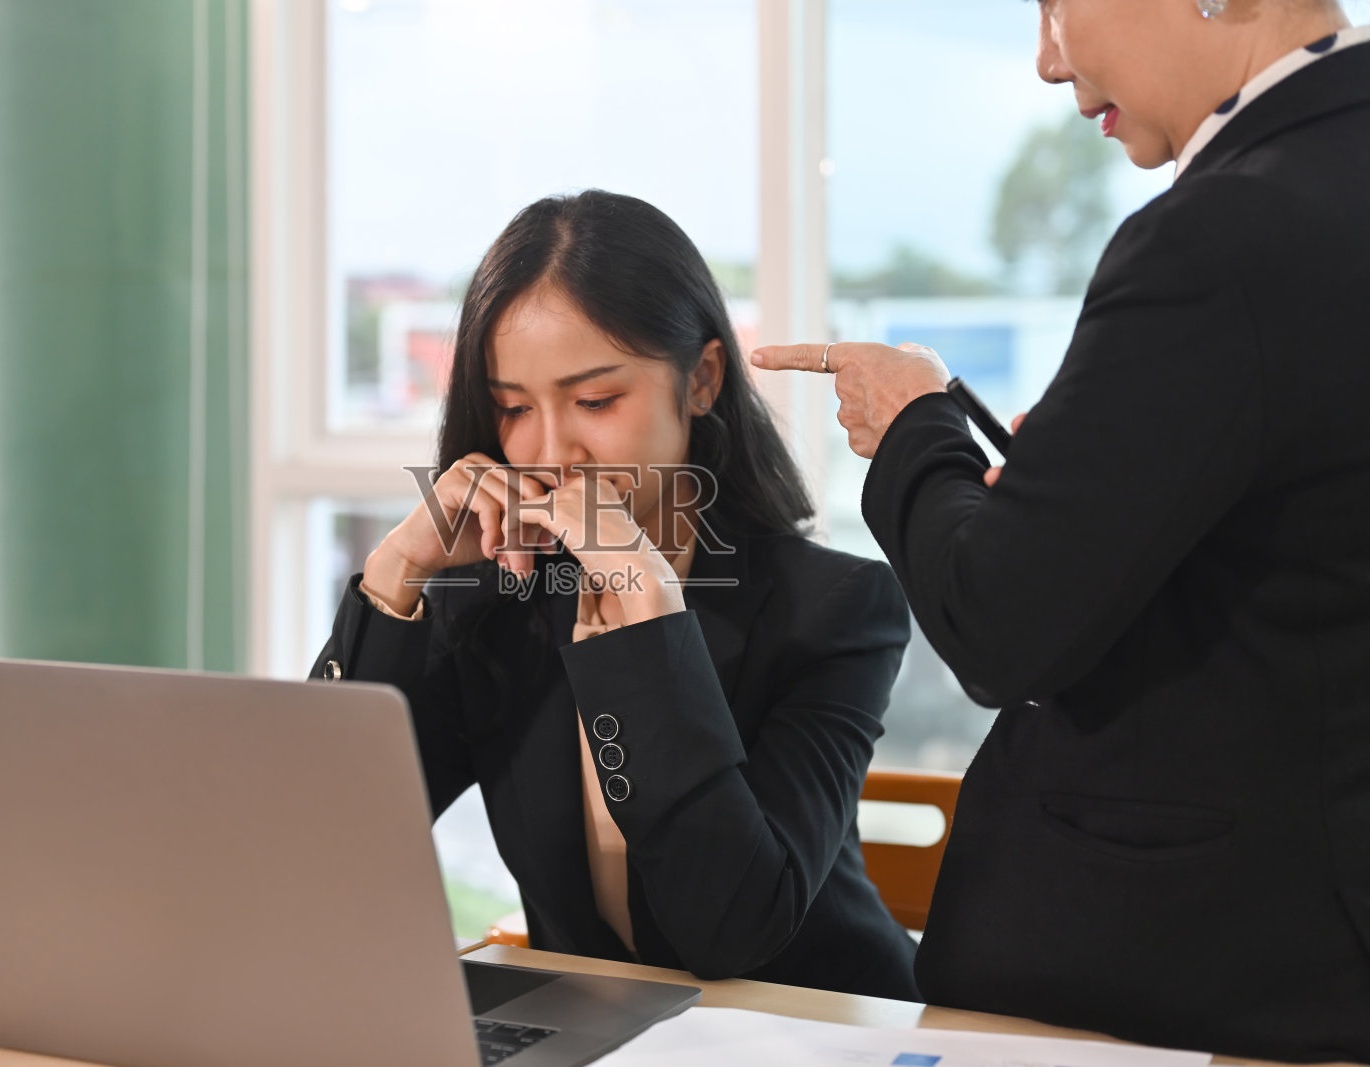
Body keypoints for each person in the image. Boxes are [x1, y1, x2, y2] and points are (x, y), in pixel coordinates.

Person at [752, 0, 1370, 1059]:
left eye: (1053, 5)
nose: (1046, 60)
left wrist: (913, 433)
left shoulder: (1224, 234)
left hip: (1198, 976)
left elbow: (1000, 620)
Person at [311, 190, 920, 999]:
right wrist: (394, 575)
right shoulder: (499, 598)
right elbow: (327, 844)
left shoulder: (835, 608)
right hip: (597, 1032)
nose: (551, 450)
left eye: (595, 401)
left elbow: (729, 926)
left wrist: (649, 624)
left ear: (700, 379)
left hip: (819, 1029)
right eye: (513, 408)